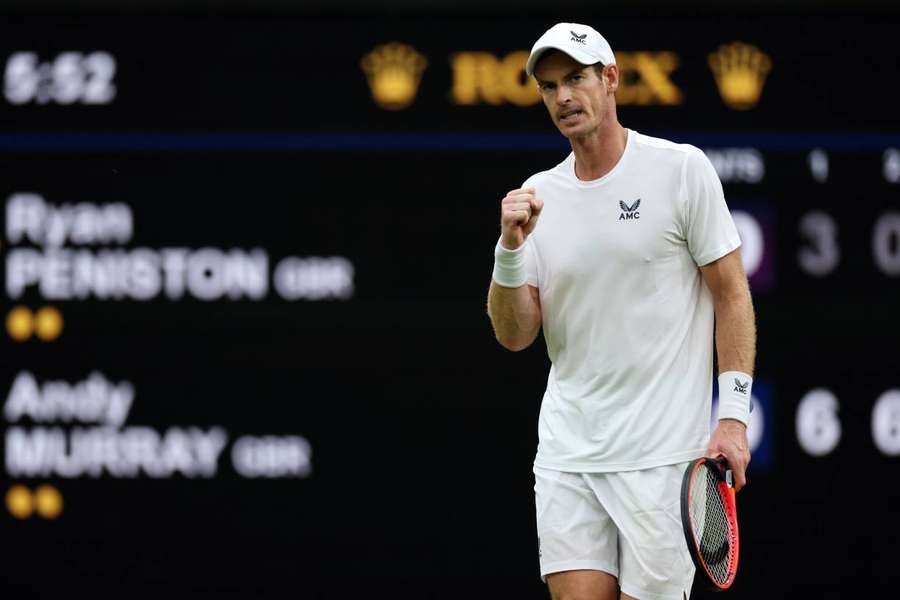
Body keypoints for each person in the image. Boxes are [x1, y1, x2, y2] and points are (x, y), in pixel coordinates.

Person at [485, 23, 756, 600]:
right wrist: (510, 250)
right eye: (549, 85)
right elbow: (514, 335)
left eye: (576, 79)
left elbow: (732, 293)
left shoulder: (681, 170)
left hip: (663, 464)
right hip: (568, 455)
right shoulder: (537, 197)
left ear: (610, 80)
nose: (562, 97)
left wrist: (732, 416)